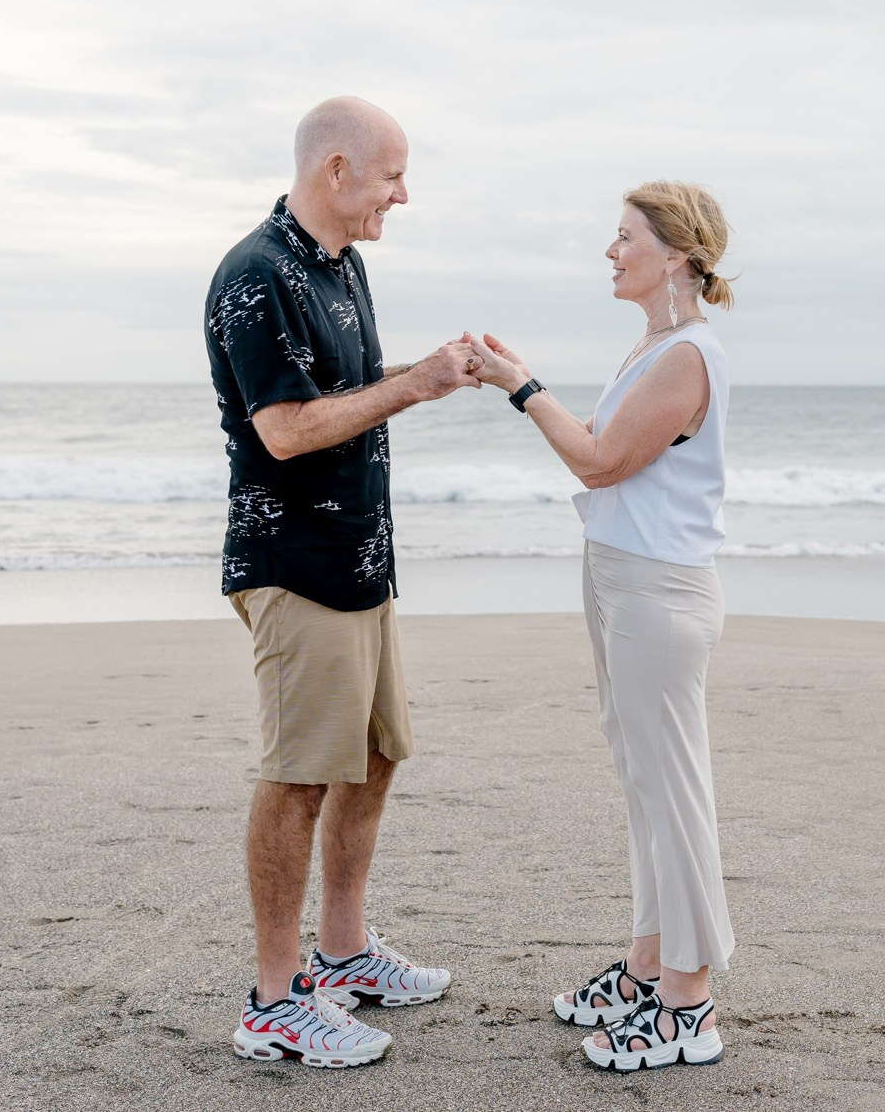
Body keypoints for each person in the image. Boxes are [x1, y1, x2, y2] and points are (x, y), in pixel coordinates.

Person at [204, 96, 483, 1069]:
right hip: (295, 567)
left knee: (372, 755)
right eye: (390, 176)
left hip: (361, 560)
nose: (399, 196)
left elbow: (345, 398)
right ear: (334, 170)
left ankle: (344, 955)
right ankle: (274, 1001)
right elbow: (283, 429)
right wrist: (413, 387)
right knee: (297, 776)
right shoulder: (255, 275)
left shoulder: (342, 267)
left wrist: (434, 369)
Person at [465, 180, 738, 1072]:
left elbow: (599, 460)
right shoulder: (652, 345)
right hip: (620, 576)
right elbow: (601, 439)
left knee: (673, 785)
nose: (610, 252)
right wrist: (535, 386)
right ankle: (647, 966)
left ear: (677, 256)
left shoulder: (687, 356)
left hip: (659, 590)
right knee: (642, 779)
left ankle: (689, 1002)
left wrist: (518, 382)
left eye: (624, 238)